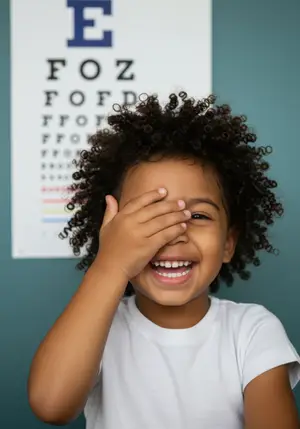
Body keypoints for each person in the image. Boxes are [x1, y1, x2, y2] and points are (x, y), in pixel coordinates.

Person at [28, 92, 300, 429]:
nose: (173, 233)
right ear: (112, 235)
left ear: (229, 243)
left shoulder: (252, 332)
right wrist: (110, 264)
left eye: (198, 215)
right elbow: (51, 406)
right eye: (150, 217)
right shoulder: (95, 329)